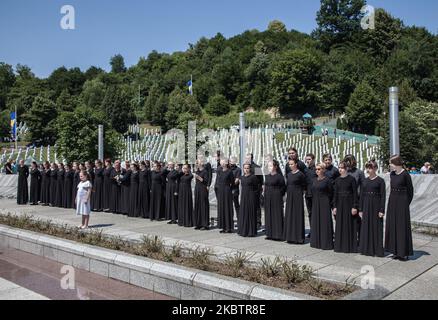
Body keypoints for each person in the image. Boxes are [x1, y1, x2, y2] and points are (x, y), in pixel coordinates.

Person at [385, 155, 414, 261]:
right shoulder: (392, 174)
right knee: (393, 225)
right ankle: (394, 251)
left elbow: (410, 191)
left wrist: (405, 203)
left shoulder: (405, 175)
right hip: (392, 201)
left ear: (396, 163)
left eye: (391, 163)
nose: (390, 165)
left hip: (402, 203)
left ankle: (403, 252)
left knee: (401, 226)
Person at [358, 160, 386, 257]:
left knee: (376, 227)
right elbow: (361, 195)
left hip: (376, 206)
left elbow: (383, 196)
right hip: (366, 205)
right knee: (366, 227)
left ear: (375, 169)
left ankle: (377, 250)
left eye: (370, 168)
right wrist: (360, 209)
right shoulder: (365, 181)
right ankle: (366, 249)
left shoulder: (380, 181)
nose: (368, 170)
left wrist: (382, 210)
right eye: (367, 168)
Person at [333, 161, 359, 253]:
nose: (340, 169)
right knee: (340, 225)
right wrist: (334, 207)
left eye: (342, 168)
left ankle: (350, 246)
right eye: (339, 167)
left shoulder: (351, 179)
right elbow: (335, 194)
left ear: (346, 169)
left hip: (349, 204)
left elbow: (355, 194)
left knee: (349, 224)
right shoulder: (337, 180)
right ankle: (340, 246)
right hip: (340, 205)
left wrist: (355, 206)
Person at [310, 163, 334, 250]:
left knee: (324, 222)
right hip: (316, 202)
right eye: (316, 169)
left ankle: (325, 243)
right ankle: (316, 242)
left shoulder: (328, 180)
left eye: (319, 169)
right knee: (316, 221)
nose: (317, 170)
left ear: (323, 170)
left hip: (324, 202)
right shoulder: (314, 180)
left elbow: (331, 192)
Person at [284, 158, 307, 244]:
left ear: (296, 164)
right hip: (290, 196)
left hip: (297, 196)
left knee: (297, 215)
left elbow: (304, 185)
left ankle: (298, 237)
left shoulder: (300, 174)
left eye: (292, 164)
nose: (290, 166)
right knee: (290, 215)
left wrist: (300, 193)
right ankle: (290, 236)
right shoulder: (289, 174)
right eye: (289, 164)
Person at [263, 160, 286, 241]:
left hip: (276, 197)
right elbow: (265, 186)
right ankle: (269, 234)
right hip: (268, 197)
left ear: (275, 167)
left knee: (277, 215)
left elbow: (283, 187)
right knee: (269, 215)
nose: (269, 168)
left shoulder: (279, 176)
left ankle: (278, 235)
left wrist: (278, 194)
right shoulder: (267, 176)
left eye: (271, 166)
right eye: (268, 166)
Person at [238, 163, 259, 237]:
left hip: (251, 197)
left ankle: (251, 231)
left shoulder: (253, 177)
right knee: (244, 213)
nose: (246, 170)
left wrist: (253, 196)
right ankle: (243, 230)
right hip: (244, 197)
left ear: (250, 169)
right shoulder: (242, 177)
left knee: (250, 213)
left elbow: (257, 188)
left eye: (247, 168)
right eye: (245, 168)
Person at [217, 159, 235, 233]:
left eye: (223, 162)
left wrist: (230, 189)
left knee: (227, 208)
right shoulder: (220, 171)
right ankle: (223, 226)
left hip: (227, 191)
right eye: (221, 162)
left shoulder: (229, 171)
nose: (221, 163)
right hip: (221, 191)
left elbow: (232, 182)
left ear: (226, 163)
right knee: (222, 208)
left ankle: (229, 227)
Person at [193, 159, 210, 230]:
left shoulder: (205, 171)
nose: (196, 164)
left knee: (203, 206)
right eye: (196, 163)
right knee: (197, 205)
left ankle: (205, 224)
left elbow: (205, 181)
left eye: (197, 163)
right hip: (197, 189)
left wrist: (198, 177)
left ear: (201, 164)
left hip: (203, 189)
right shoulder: (197, 171)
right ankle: (198, 223)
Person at [304, 153, 317, 238]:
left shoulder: (317, 169)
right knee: (310, 213)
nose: (308, 161)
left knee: (316, 213)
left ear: (313, 159)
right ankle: (312, 230)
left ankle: (317, 230)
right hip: (307, 194)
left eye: (309, 159)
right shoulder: (305, 170)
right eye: (307, 159)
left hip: (315, 195)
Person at [229, 157, 241, 221]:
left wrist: (230, 183)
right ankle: (230, 219)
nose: (231, 163)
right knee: (229, 206)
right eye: (230, 162)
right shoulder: (228, 169)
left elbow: (237, 180)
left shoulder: (238, 170)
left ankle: (239, 219)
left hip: (234, 190)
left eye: (232, 162)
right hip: (228, 190)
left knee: (236, 204)